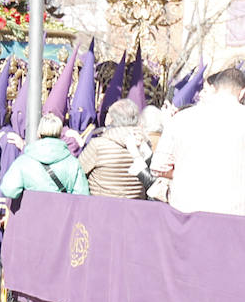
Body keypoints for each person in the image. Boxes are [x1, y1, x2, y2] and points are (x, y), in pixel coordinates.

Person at [151, 67, 245, 214]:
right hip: (234, 214)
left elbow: (157, 166)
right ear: (242, 92)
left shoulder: (182, 118)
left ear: (215, 88)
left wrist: (185, 170)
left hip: (186, 212)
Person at [0, 112, 90, 204]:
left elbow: (9, 190)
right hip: (62, 216)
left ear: (38, 133)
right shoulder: (73, 163)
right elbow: (82, 196)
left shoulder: (23, 161)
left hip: (32, 214)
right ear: (60, 134)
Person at [80, 99, 151, 199]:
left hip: (103, 205)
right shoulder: (145, 144)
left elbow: (79, 170)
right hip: (135, 207)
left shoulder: (98, 145)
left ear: (111, 119)